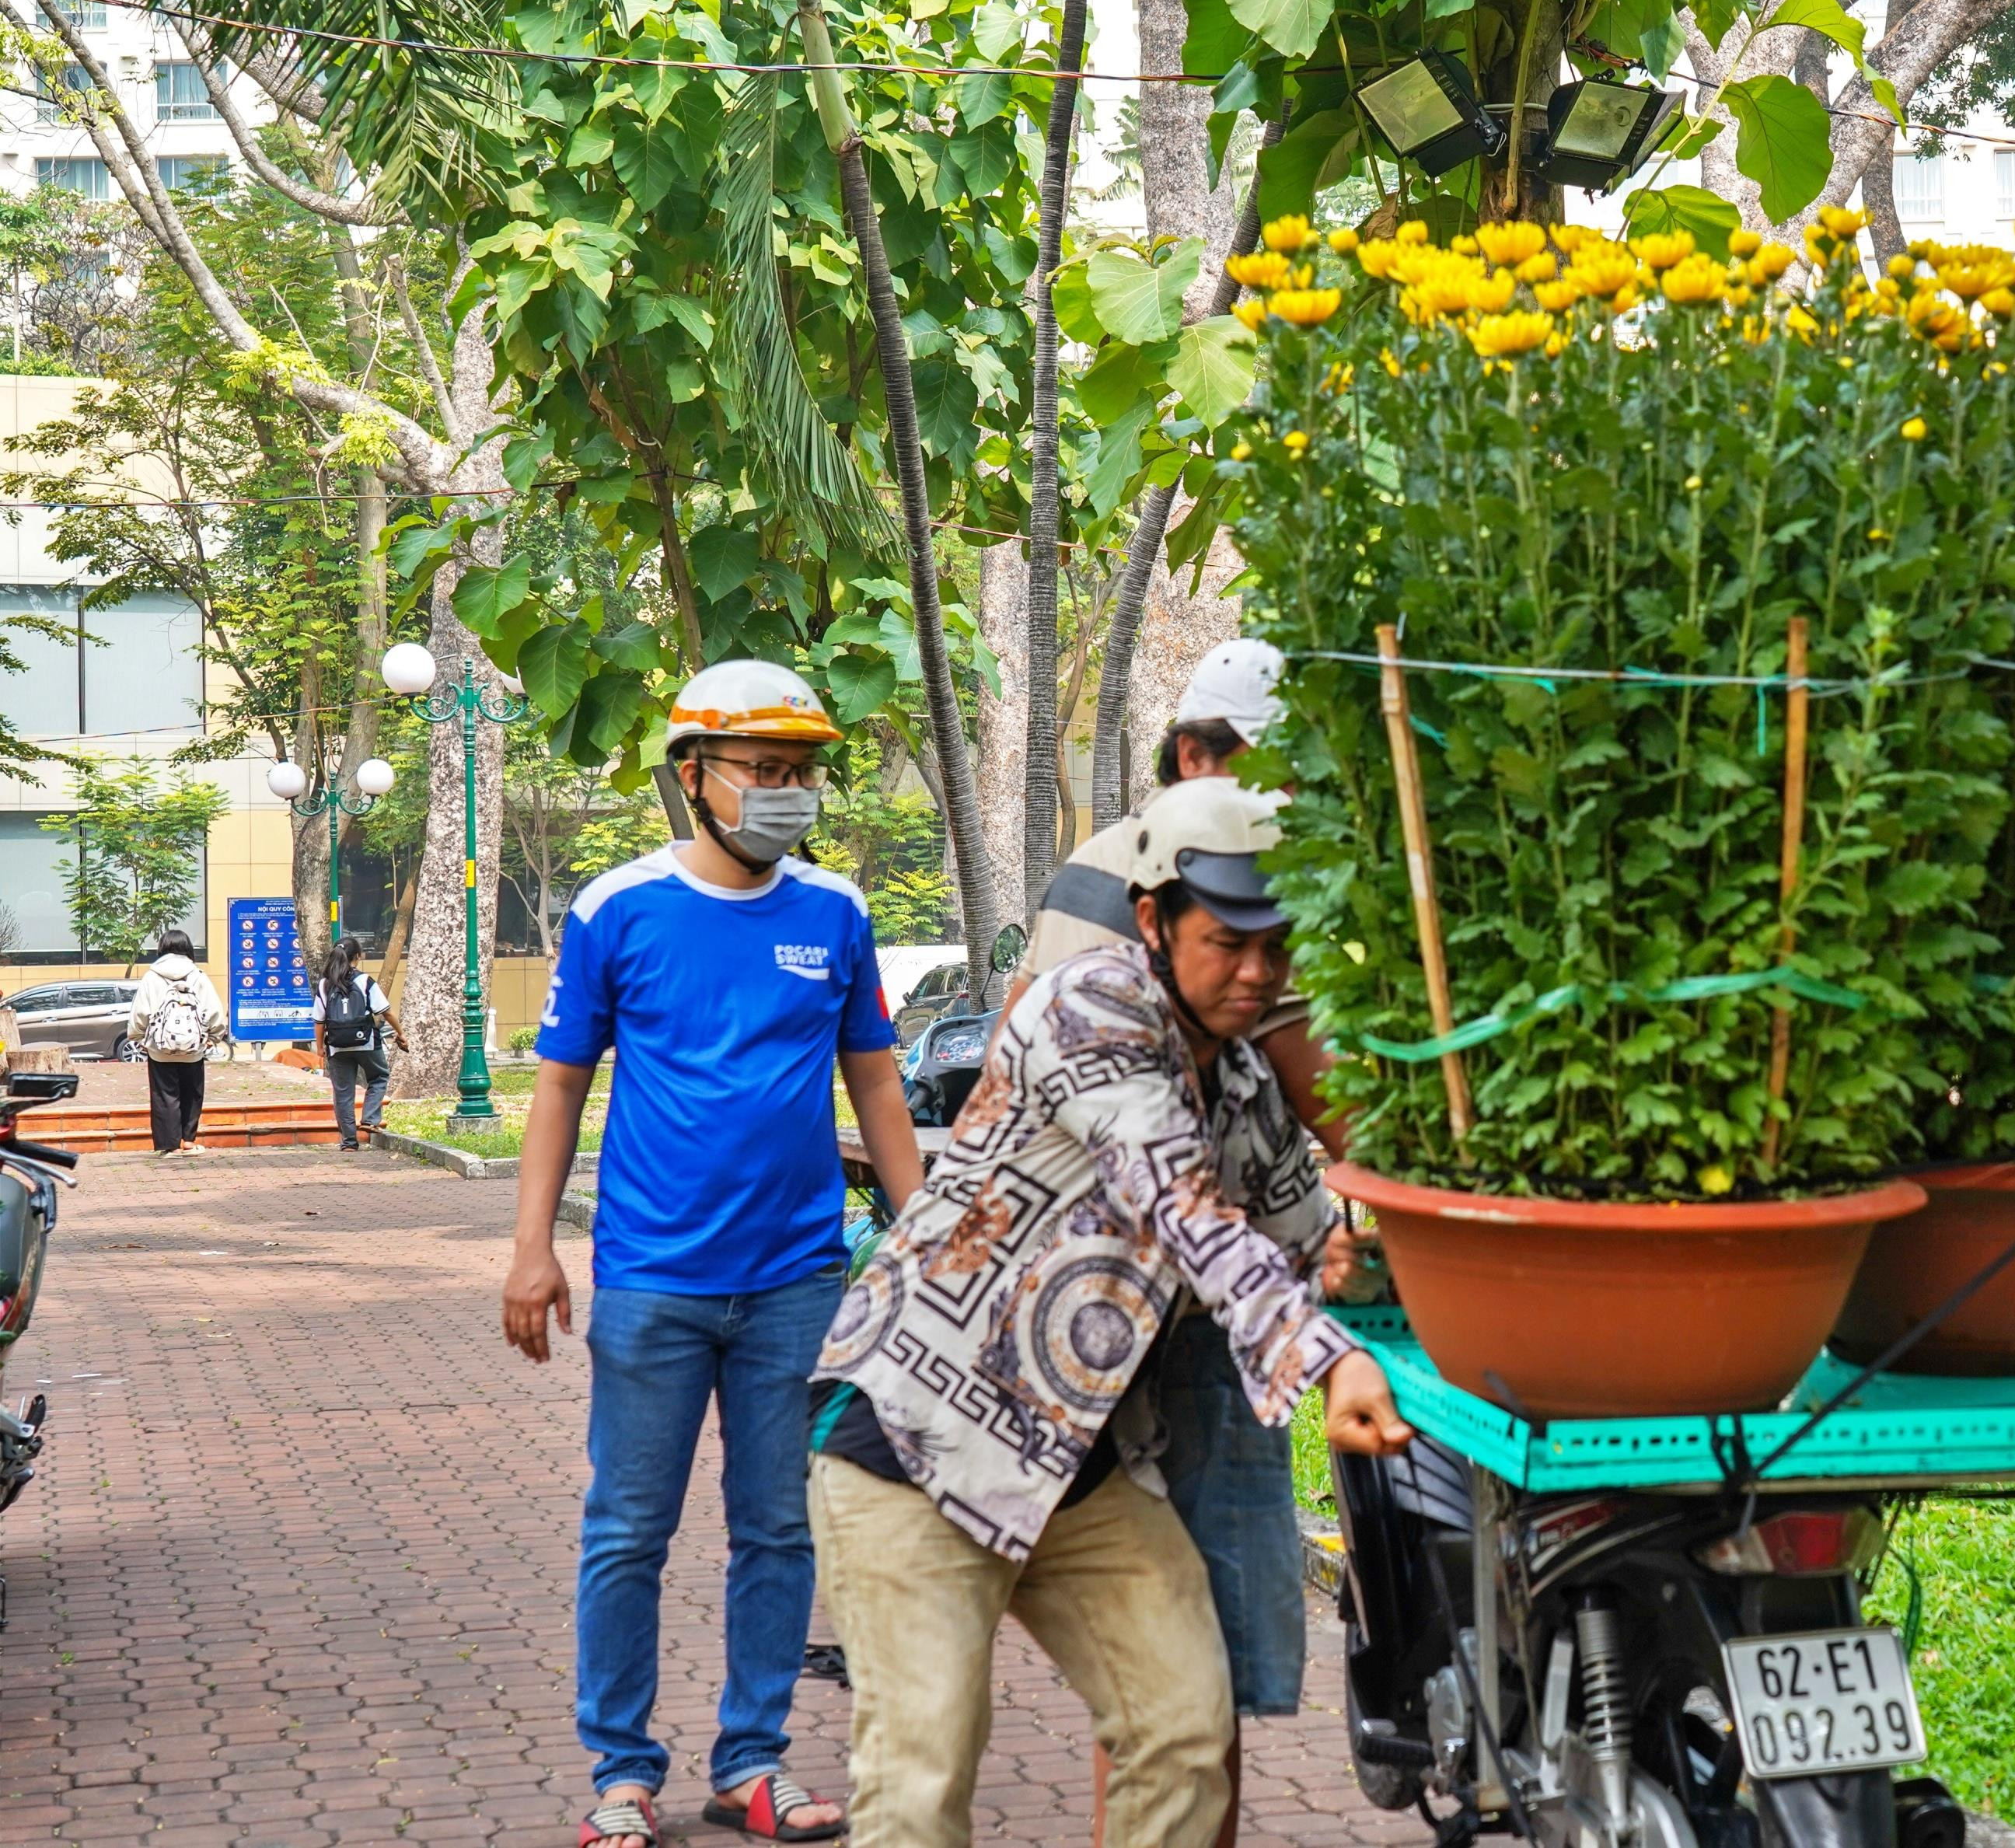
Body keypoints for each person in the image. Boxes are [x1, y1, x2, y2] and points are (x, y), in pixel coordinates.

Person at [807, 778, 1410, 1848]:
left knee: (1183, 1731)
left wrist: (1365, 1263)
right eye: (1228, 941)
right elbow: (1184, 1207)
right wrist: (1331, 1366)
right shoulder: (1087, 1007)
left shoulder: (1246, 1077)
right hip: (919, 1446)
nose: (1259, 972)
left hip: (1078, 1465)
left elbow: (1301, 1238)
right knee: (920, 1784)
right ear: (1152, 919)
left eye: (1279, 945)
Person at [503, 659, 927, 1848]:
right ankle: (621, 1773)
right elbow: (559, 1085)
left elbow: (880, 1086)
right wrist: (533, 1247)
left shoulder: (834, 912)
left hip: (798, 1282)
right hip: (650, 1280)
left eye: (801, 773)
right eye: (764, 771)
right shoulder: (616, 908)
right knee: (628, 1527)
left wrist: (933, 1237)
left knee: (780, 1529)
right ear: (693, 777)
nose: (787, 793)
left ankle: (753, 1760)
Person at [1020, 639, 1351, 1839]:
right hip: (1159, 1322)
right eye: (1280, 769)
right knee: (1174, 1680)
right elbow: (1326, 1112)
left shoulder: (1115, 873)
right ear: (1198, 758)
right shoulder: (1199, 886)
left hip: (1145, 1311)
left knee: (1174, 1685)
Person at [125, 928, 226, 1154]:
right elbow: (214, 1010)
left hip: (160, 1049)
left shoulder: (152, 977)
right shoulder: (198, 975)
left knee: (164, 1095)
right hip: (194, 1048)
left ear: (162, 948)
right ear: (188, 948)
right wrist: (214, 1037)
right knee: (192, 1092)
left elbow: (140, 1011)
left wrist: (138, 1036)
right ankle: (189, 1142)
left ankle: (169, 1147)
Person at [316, 938, 407, 1150]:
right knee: (379, 1076)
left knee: (343, 1092)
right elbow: (386, 1011)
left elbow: (319, 1021)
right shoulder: (365, 981)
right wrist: (401, 1033)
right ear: (358, 956)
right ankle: (369, 1119)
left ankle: (348, 1142)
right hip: (366, 1041)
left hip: (337, 1046)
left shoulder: (325, 984)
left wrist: (320, 1048)